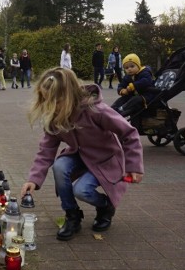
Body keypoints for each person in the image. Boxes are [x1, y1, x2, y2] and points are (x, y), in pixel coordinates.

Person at [19, 67, 143, 241]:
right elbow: (46, 149)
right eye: (46, 100)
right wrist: (34, 179)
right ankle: (72, 216)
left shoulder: (96, 110)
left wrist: (133, 166)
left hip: (104, 159)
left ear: (68, 95)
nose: (51, 106)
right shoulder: (55, 116)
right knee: (60, 166)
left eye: (56, 101)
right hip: (79, 155)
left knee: (81, 190)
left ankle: (105, 206)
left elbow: (129, 133)